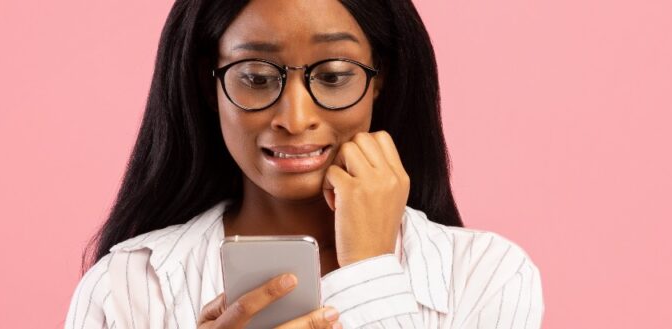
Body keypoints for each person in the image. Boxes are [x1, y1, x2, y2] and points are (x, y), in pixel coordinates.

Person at [64, 0, 544, 328]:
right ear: (207, 83)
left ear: (382, 79)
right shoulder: (125, 287)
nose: (294, 118)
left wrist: (371, 269)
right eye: (255, 76)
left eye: (334, 75)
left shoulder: (488, 275)